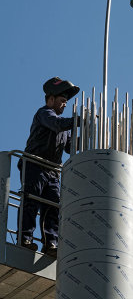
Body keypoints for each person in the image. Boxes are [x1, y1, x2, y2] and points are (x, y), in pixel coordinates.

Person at [17, 76, 80, 257]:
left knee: (53, 205)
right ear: (51, 99)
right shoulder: (44, 113)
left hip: (52, 171)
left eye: (66, 101)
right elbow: (57, 124)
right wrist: (78, 120)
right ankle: (25, 238)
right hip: (35, 164)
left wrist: (82, 130)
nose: (65, 104)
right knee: (31, 201)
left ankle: (50, 243)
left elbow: (69, 147)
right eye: (62, 100)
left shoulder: (64, 126)